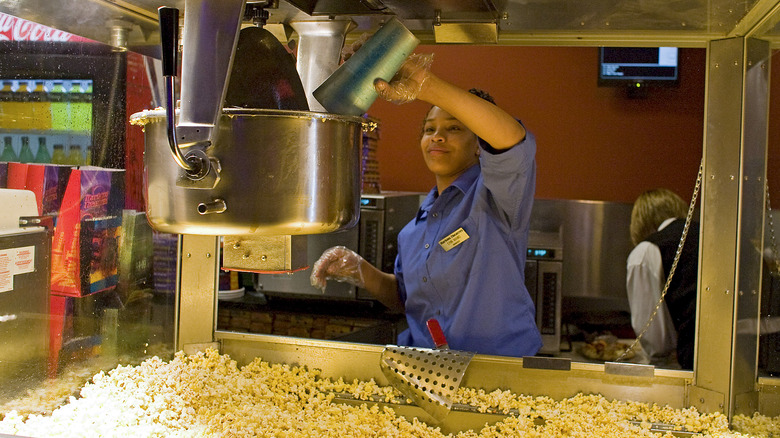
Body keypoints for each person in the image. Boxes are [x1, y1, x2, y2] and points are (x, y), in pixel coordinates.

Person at [310, 51, 543, 358]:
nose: (438, 137)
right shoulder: (414, 230)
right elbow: (407, 299)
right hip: (425, 369)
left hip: (498, 370)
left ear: (479, 146)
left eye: (454, 128)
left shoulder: (496, 197)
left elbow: (513, 139)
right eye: (429, 129)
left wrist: (423, 84)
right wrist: (360, 270)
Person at [626, 188, 699, 369]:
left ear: (641, 222)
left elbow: (656, 340)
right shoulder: (711, 235)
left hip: (690, 364)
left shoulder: (647, 251)